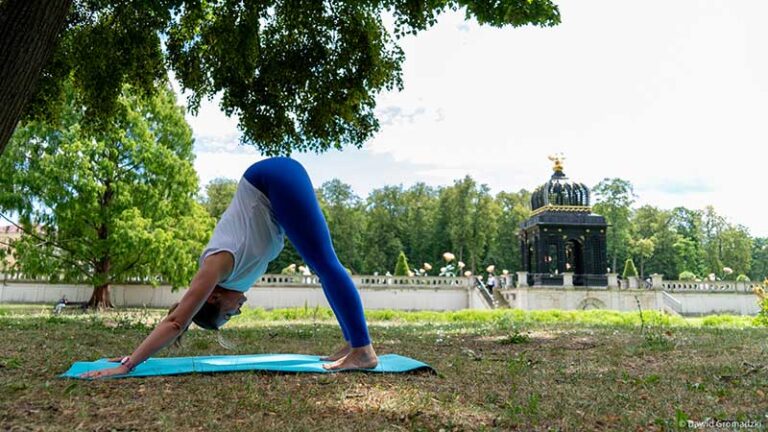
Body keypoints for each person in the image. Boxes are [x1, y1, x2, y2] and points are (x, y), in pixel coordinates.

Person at [81, 157, 378, 378]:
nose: (238, 311)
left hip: (270, 179)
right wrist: (133, 353)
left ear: (214, 297)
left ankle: (363, 350)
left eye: (229, 313)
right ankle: (354, 343)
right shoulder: (234, 278)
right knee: (322, 266)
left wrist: (129, 365)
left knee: (325, 264)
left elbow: (177, 321)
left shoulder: (217, 266)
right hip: (275, 187)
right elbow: (178, 313)